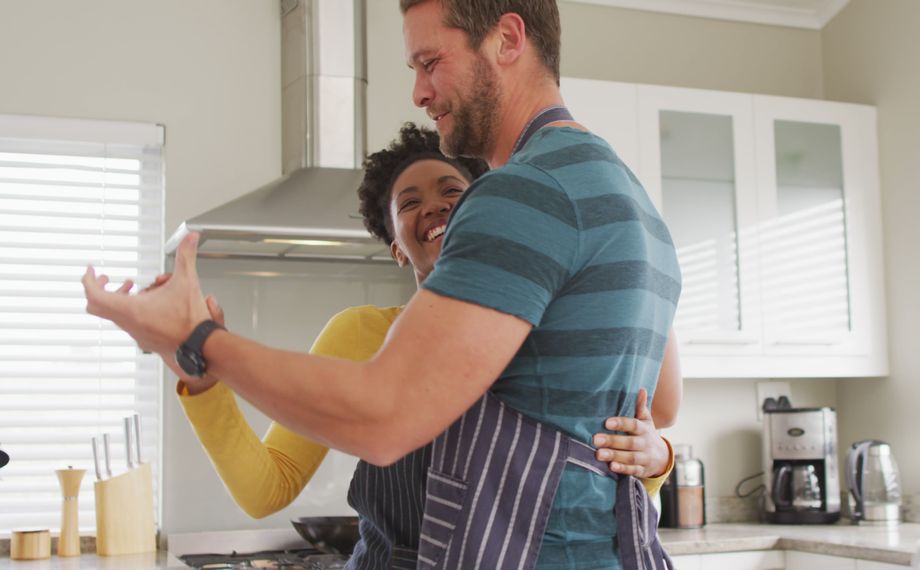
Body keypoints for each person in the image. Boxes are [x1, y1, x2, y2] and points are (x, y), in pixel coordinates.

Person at [82, 0, 681, 567]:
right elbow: (657, 403)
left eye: (430, 62)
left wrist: (198, 338)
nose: (420, 92)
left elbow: (385, 417)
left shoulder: (527, 191)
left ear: (507, 39)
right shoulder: (633, 204)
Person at [180, 123, 680, 569]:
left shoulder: (541, 330)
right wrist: (203, 382)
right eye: (409, 202)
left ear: (487, 212)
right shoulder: (359, 333)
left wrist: (656, 461)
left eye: (453, 191)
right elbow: (268, 487)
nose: (435, 205)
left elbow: (586, 472)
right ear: (397, 246)